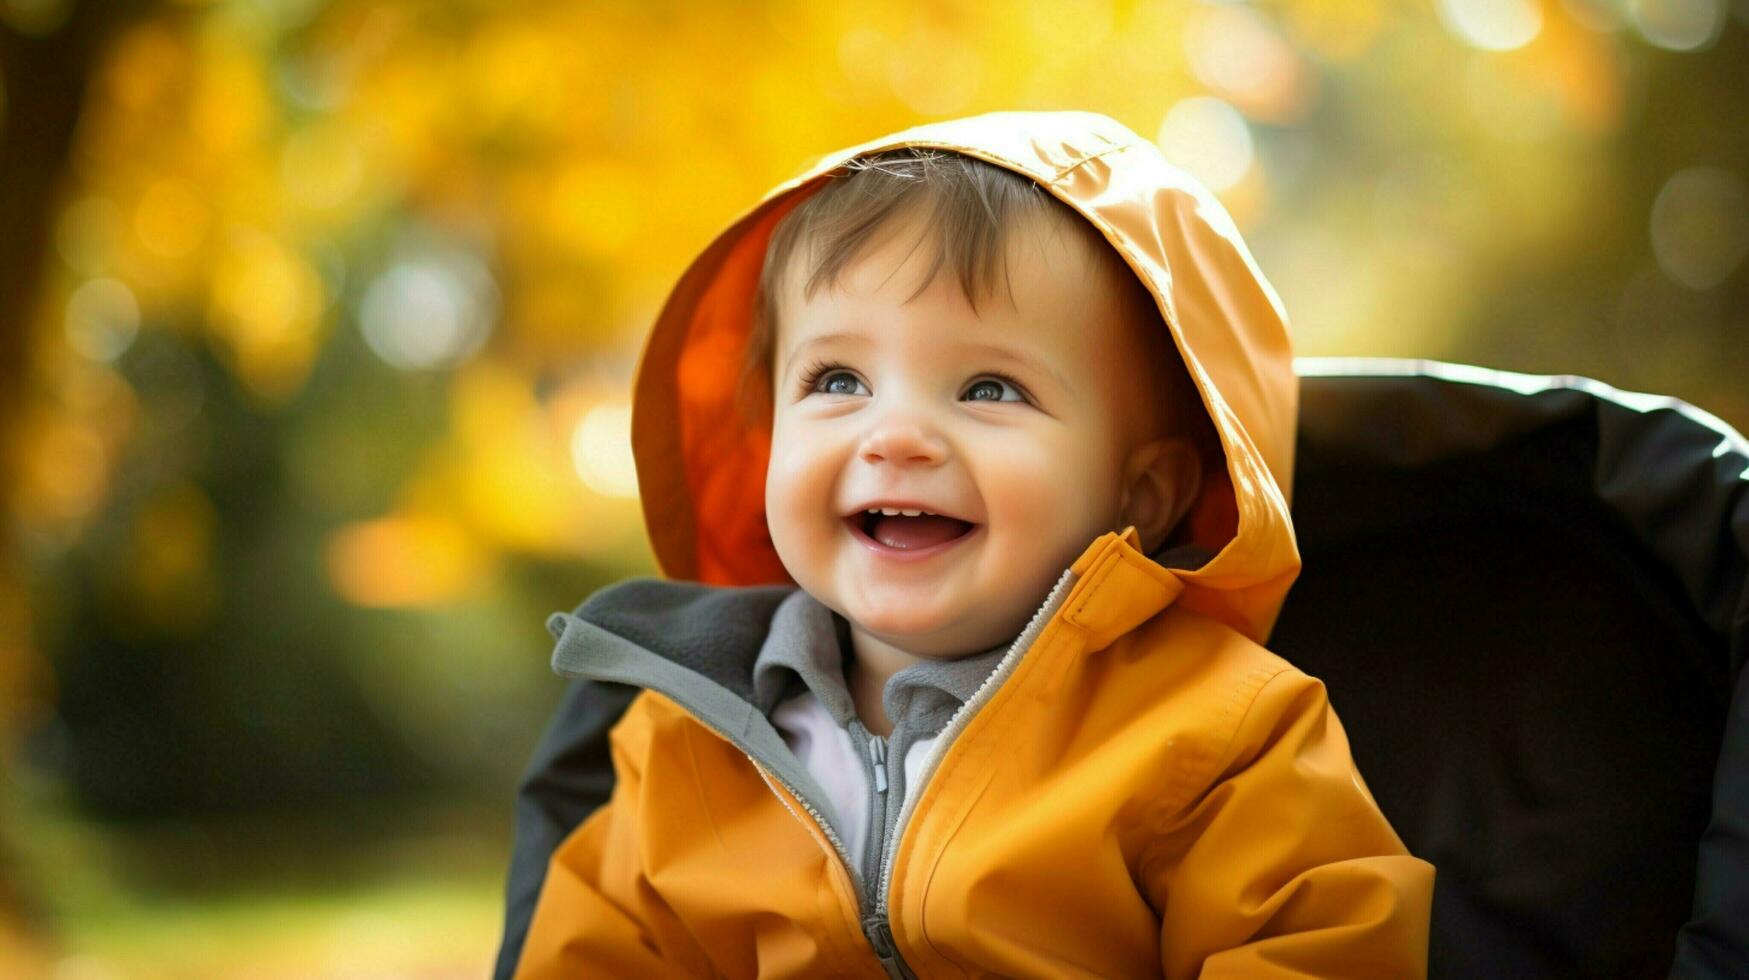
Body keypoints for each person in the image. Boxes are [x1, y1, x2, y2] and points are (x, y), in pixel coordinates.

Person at [503, 110, 1435, 979]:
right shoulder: (684, 738)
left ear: (1140, 495)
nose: (895, 435)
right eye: (837, 378)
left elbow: (1313, 947)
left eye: (988, 388)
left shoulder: (1215, 733)